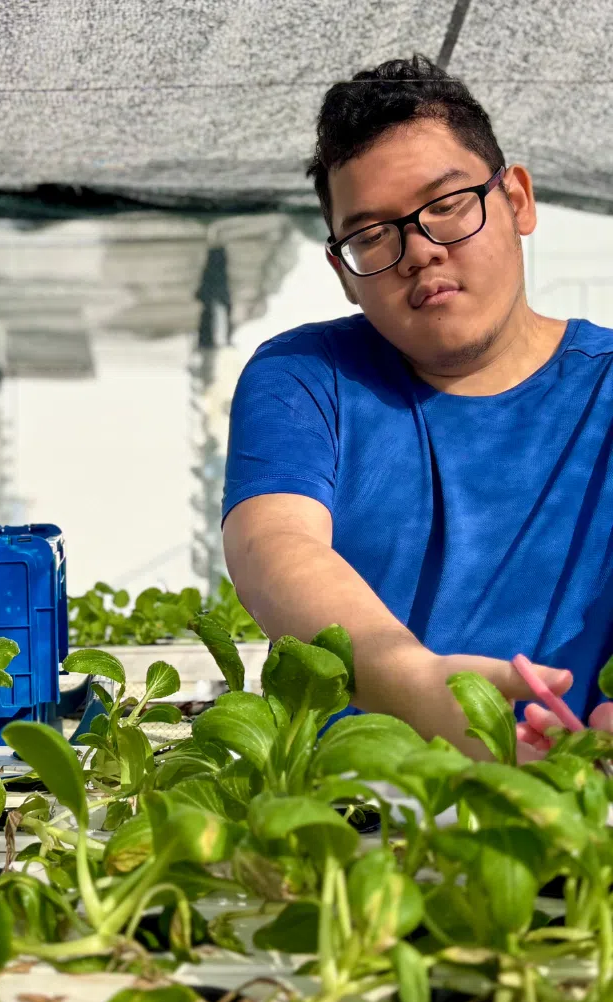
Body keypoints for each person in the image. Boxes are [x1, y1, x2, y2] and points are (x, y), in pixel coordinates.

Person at [222, 54, 613, 760]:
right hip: (355, 815)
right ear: (343, 272)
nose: (418, 251)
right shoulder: (307, 377)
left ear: (517, 199)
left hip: (578, 798)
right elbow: (270, 545)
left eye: (447, 206)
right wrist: (418, 686)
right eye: (372, 235)